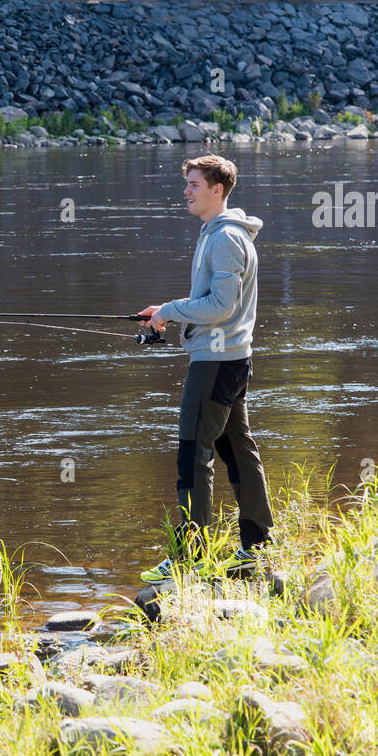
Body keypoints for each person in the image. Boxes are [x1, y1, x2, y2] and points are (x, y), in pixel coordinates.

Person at [136, 154, 275, 584]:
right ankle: (258, 548)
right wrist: (165, 312)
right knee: (238, 451)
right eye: (188, 184)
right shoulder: (218, 234)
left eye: (194, 184)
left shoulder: (224, 238)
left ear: (218, 189)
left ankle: (187, 558)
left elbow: (221, 306)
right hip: (231, 359)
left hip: (216, 363)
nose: (187, 191)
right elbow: (214, 301)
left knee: (192, 455)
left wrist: (172, 310)